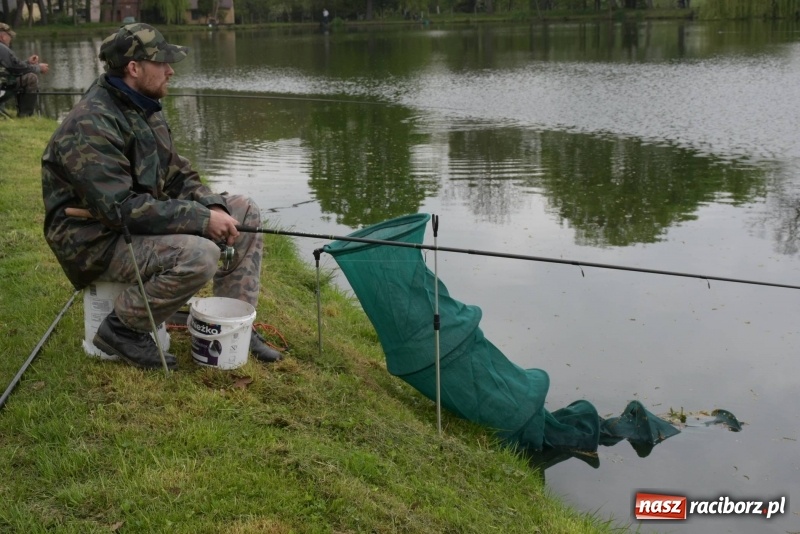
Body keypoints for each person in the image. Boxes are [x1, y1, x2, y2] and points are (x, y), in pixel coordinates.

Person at [41, 23, 283, 369]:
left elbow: (176, 173)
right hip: (92, 241)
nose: (171, 71)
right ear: (134, 68)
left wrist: (211, 205)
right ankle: (122, 328)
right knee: (201, 254)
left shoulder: (145, 107)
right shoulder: (90, 124)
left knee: (243, 212)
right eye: (162, 63)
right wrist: (201, 220)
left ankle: (234, 324)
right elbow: (119, 210)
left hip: (129, 223)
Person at [0, 22, 48, 117]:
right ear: (3, 37)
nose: (11, 40)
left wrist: (27, 62)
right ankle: (25, 115)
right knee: (31, 78)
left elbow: (12, 67)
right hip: (2, 87)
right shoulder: (2, 48)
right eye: (10, 37)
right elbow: (17, 69)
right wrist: (39, 68)